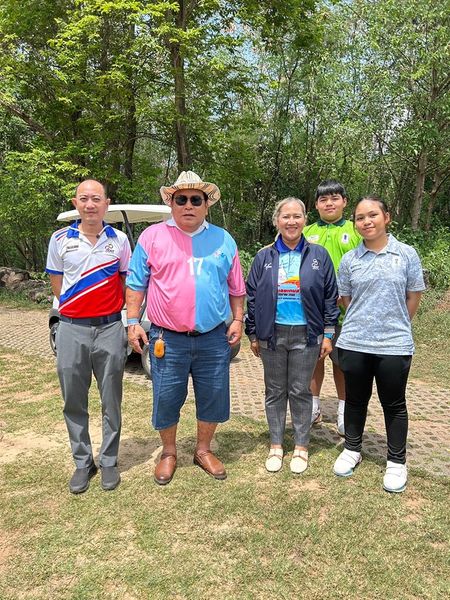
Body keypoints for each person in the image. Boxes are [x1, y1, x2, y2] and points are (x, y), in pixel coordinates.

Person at [126, 171, 246, 485]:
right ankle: (168, 452)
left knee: (214, 395)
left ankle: (203, 450)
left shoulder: (223, 239)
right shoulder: (152, 237)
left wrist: (237, 319)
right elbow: (136, 284)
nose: (189, 205)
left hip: (213, 338)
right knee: (166, 397)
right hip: (167, 338)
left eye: (196, 199)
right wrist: (132, 322)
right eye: (182, 199)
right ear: (171, 203)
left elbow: (236, 287)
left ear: (207, 205)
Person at [333, 196, 425, 493]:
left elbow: (413, 297)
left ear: (387, 217)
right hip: (355, 341)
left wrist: (393, 324)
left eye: (373, 215)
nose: (366, 221)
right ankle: (352, 449)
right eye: (360, 217)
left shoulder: (406, 254)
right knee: (356, 400)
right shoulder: (350, 260)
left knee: (394, 404)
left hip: (394, 344)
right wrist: (364, 322)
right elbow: (346, 300)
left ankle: (396, 462)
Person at [46, 179, 131, 494]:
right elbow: (57, 284)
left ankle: (108, 459)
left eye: (97, 199)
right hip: (71, 329)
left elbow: (126, 283)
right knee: (73, 400)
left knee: (111, 399)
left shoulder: (119, 240)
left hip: (110, 328)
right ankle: (83, 463)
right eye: (84, 199)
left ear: (106, 203)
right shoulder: (59, 239)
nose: (91, 204)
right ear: (75, 202)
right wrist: (76, 312)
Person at [245, 197, 339, 474]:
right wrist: (253, 334)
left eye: (297, 216)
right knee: (274, 391)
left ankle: (301, 446)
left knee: (300, 391)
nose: (291, 221)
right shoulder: (264, 257)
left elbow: (330, 297)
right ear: (277, 221)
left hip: (307, 335)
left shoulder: (318, 255)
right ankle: (276, 444)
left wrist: (328, 333)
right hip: (271, 334)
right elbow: (252, 296)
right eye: (285, 216)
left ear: (304, 220)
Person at [303, 179, 361, 435]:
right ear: (316, 205)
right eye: (323, 199)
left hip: (348, 312)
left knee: (343, 363)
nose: (329, 203)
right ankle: (313, 408)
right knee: (314, 359)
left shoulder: (356, 229)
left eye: (335, 198)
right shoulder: (306, 232)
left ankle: (343, 412)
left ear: (344, 202)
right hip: (311, 313)